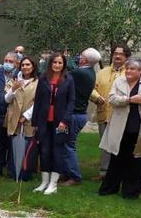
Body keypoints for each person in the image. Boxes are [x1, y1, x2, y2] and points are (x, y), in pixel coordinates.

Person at [97, 59, 141, 199]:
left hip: (139, 128)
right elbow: (112, 99)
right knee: (116, 158)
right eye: (128, 68)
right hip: (119, 128)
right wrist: (129, 100)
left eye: (133, 69)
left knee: (136, 162)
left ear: (140, 71)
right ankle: (109, 188)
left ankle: (131, 192)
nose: (129, 71)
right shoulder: (119, 82)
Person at [31, 53, 75, 195]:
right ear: (50, 63)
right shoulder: (43, 78)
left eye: (60, 63)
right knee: (44, 151)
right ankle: (44, 181)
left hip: (60, 122)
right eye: (55, 62)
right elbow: (37, 100)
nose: (57, 65)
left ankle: (53, 184)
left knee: (57, 151)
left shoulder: (69, 79)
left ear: (63, 65)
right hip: (44, 121)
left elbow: (71, 102)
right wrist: (35, 122)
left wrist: (65, 121)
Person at [59, 48, 99, 186]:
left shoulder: (80, 73)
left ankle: (74, 176)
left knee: (68, 145)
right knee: (63, 142)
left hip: (74, 115)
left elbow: (63, 73)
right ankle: (66, 172)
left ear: (84, 60)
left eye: (80, 56)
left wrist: (65, 58)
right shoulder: (90, 72)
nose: (78, 57)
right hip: (77, 114)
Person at [90, 44, 127, 179]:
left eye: (121, 54)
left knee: (120, 145)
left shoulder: (128, 73)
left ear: (126, 57)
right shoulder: (102, 72)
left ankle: (119, 173)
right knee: (104, 145)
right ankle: (104, 173)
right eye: (115, 53)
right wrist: (96, 97)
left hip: (121, 116)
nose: (117, 56)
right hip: (104, 113)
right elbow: (92, 88)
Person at [4, 57, 39, 182]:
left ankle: (25, 173)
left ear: (33, 66)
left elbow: (38, 102)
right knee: (14, 145)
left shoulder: (37, 83)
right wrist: (13, 89)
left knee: (28, 147)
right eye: (23, 65)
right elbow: (6, 100)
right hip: (14, 119)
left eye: (28, 64)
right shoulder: (13, 81)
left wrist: (26, 116)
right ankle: (13, 172)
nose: (25, 67)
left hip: (29, 120)